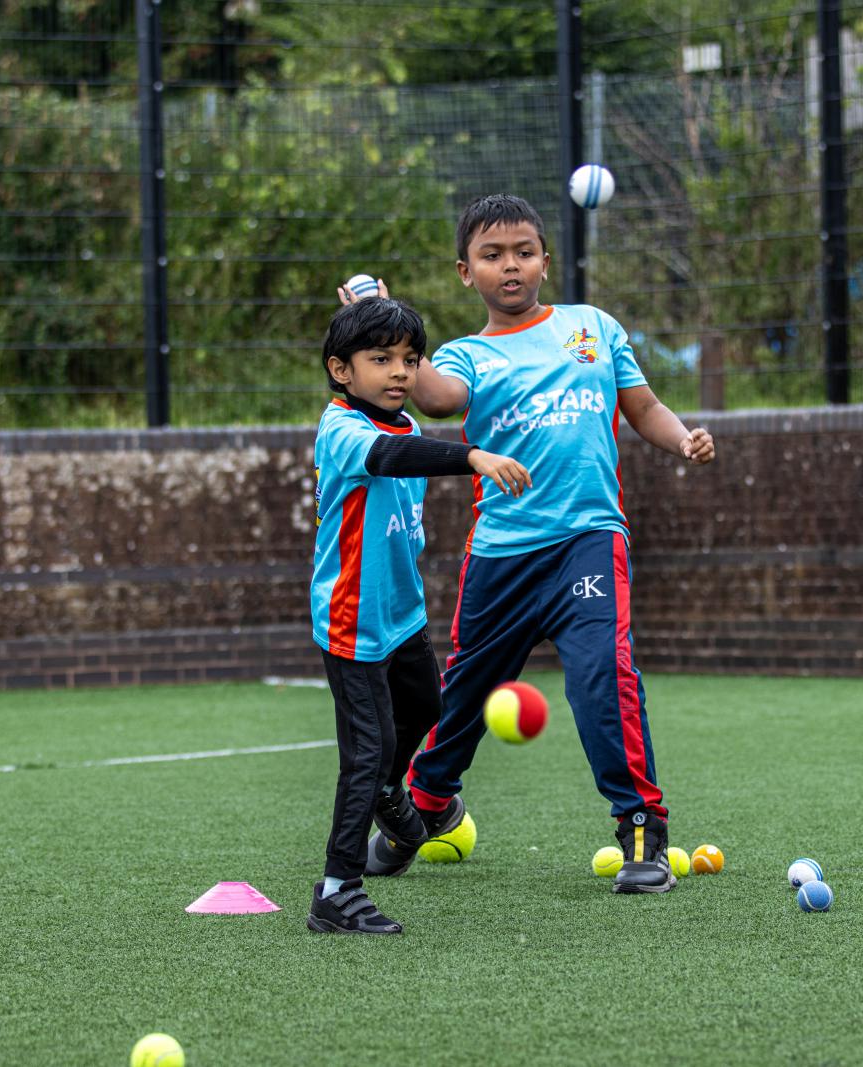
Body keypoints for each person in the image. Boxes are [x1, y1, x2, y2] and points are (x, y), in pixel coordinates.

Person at [346, 194, 715, 894]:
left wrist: (682, 439)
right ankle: (420, 810)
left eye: (522, 251)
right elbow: (433, 397)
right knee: (460, 699)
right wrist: (377, 311)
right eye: (491, 255)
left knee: (602, 678)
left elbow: (644, 408)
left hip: (588, 541)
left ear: (545, 258)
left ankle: (642, 830)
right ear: (465, 271)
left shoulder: (593, 327)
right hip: (502, 555)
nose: (509, 265)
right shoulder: (467, 354)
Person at [307, 296, 530, 934]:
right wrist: (472, 456)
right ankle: (336, 890)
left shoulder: (400, 423)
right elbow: (389, 458)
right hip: (352, 619)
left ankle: (383, 790)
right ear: (341, 370)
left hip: (400, 615)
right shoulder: (344, 429)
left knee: (427, 711)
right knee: (367, 751)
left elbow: (408, 444)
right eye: (380, 359)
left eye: (409, 359)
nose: (400, 371)